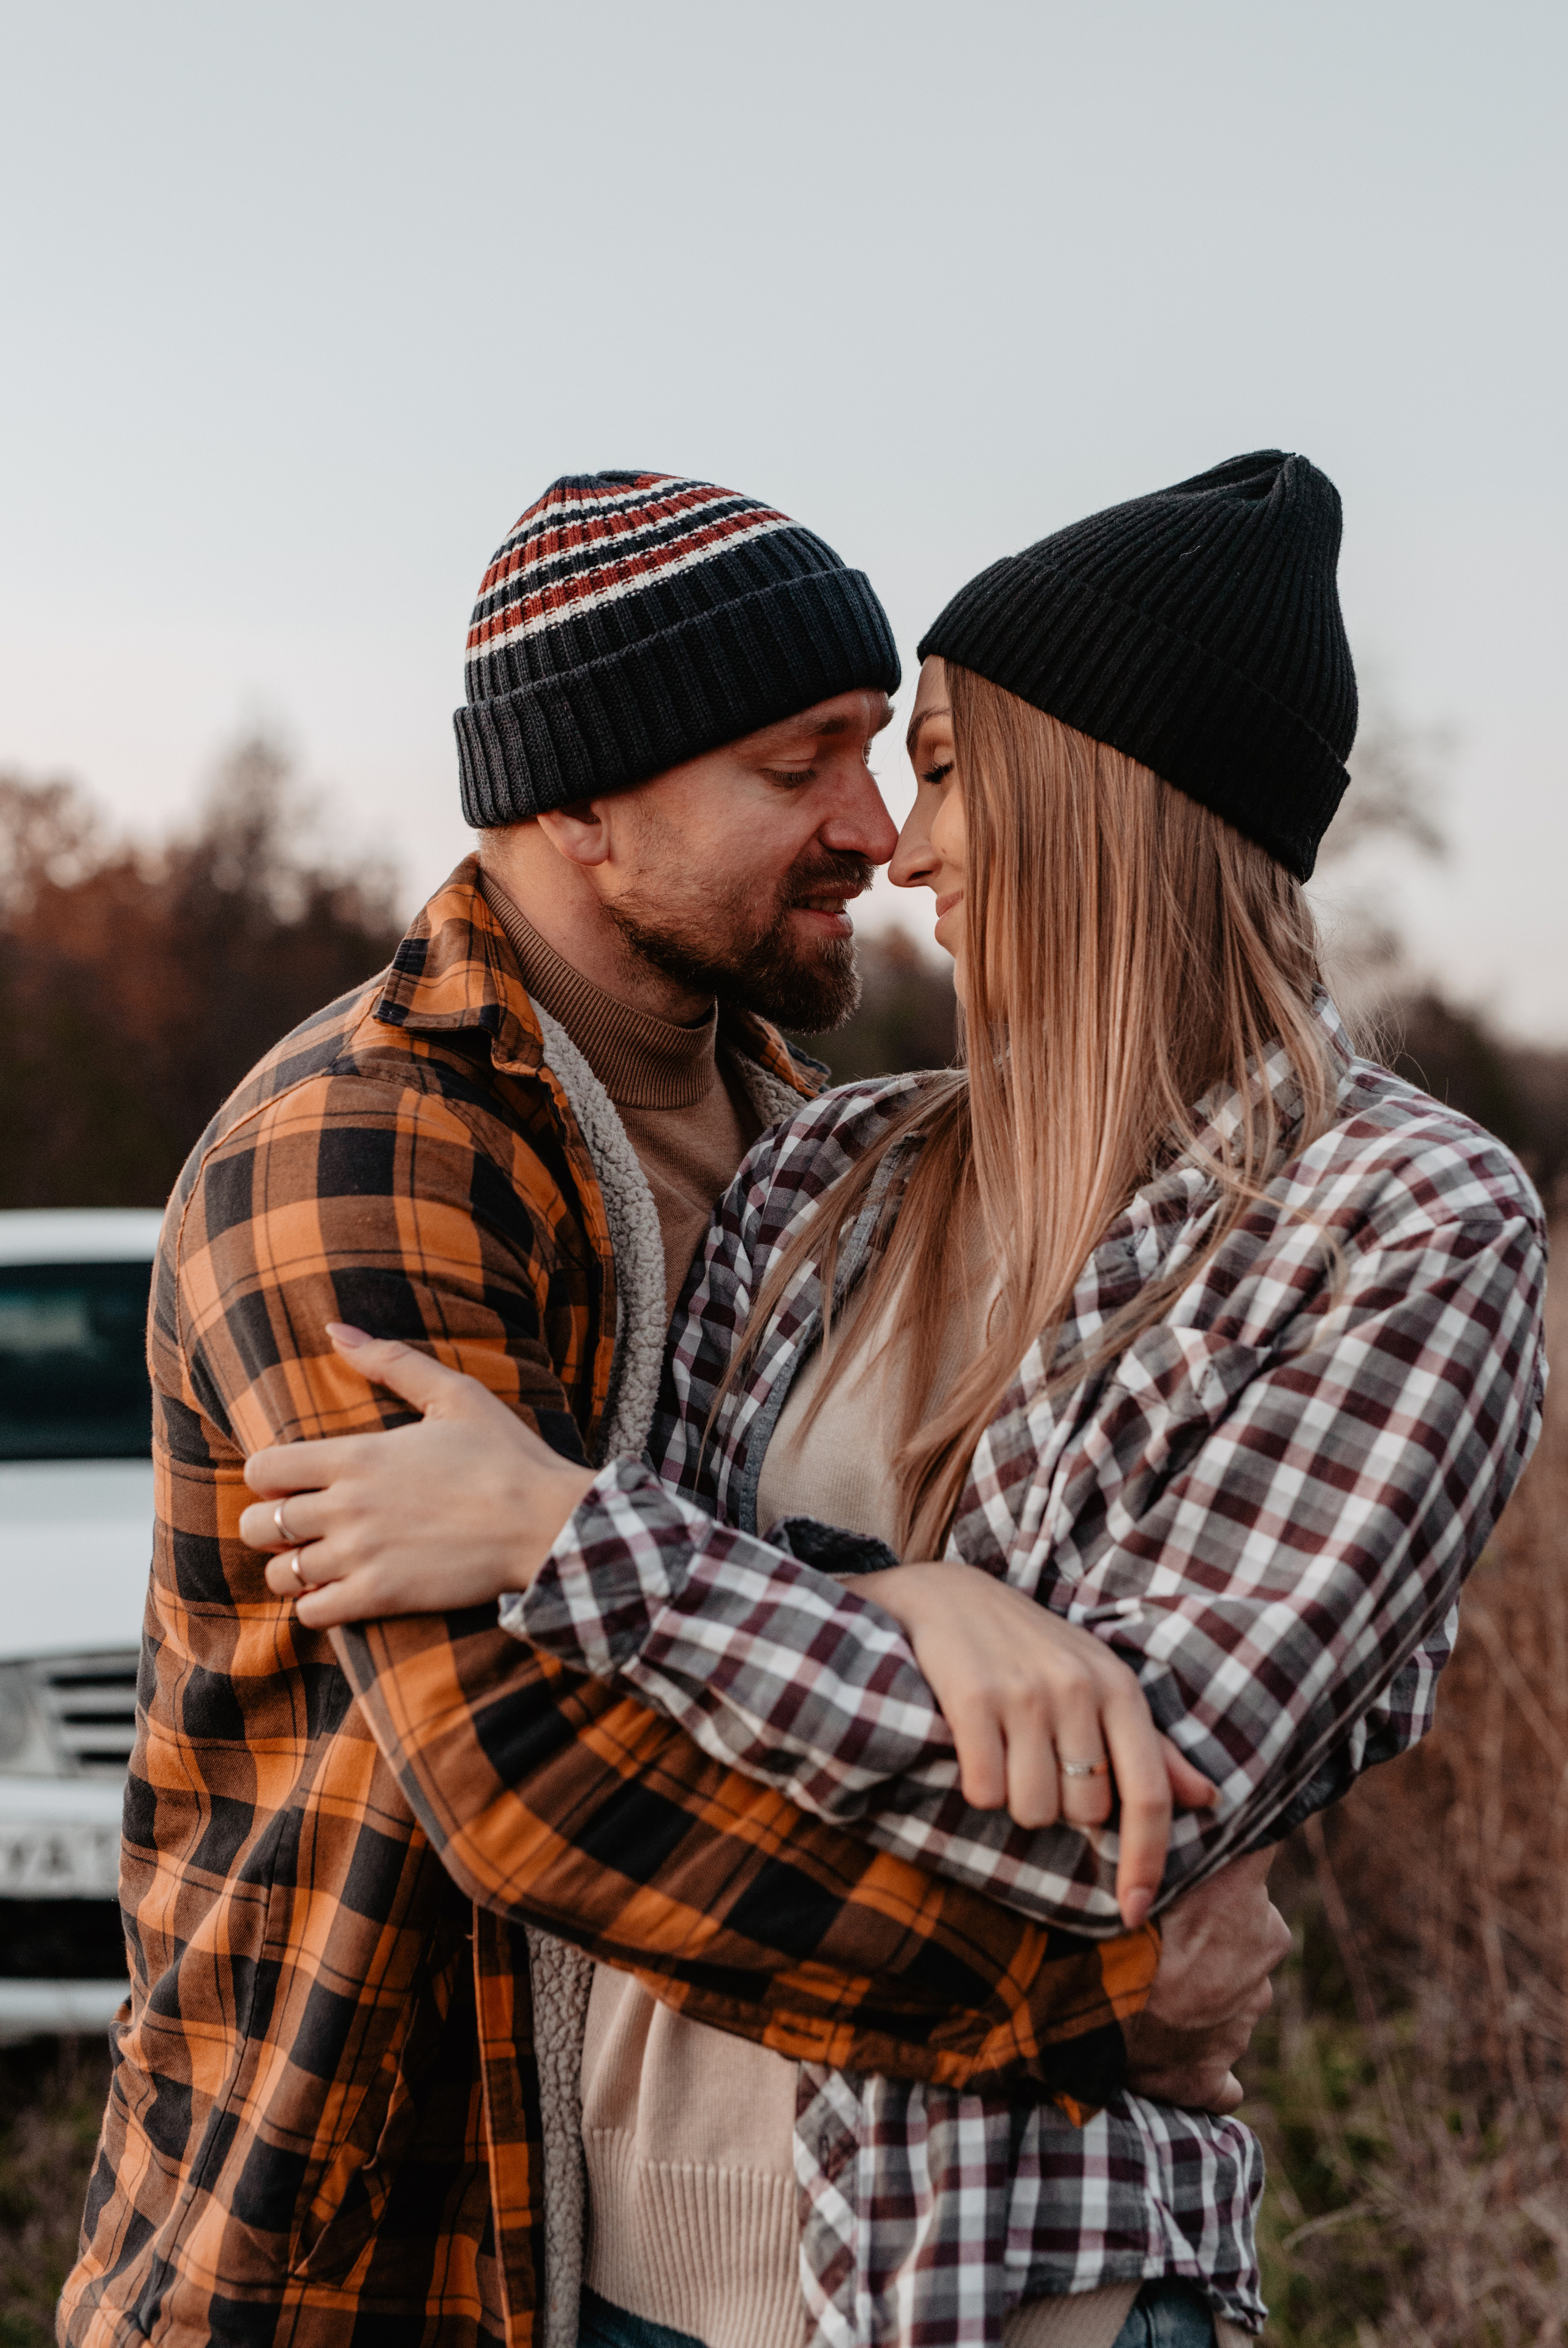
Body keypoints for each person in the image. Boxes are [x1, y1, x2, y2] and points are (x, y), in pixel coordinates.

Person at [239, 451, 1548, 2348]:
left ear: (1101, 796)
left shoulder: (1401, 1223)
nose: (898, 843)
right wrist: (918, 1610)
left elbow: (1117, 1822)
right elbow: (609, 1726)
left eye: (935, 766)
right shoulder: (825, 1173)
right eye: (844, 770)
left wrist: (573, 1535)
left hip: (1009, 2285)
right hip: (611, 2276)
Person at [61, 471, 1278, 2348]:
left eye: (878, 751)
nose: (878, 829)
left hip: (733, 2251)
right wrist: (1088, 1997)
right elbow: (530, 1761)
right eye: (801, 766)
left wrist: (892, 1596)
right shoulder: (363, 1149)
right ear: (581, 798)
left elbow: (719, 1595)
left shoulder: (816, 1150)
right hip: (374, 2222)